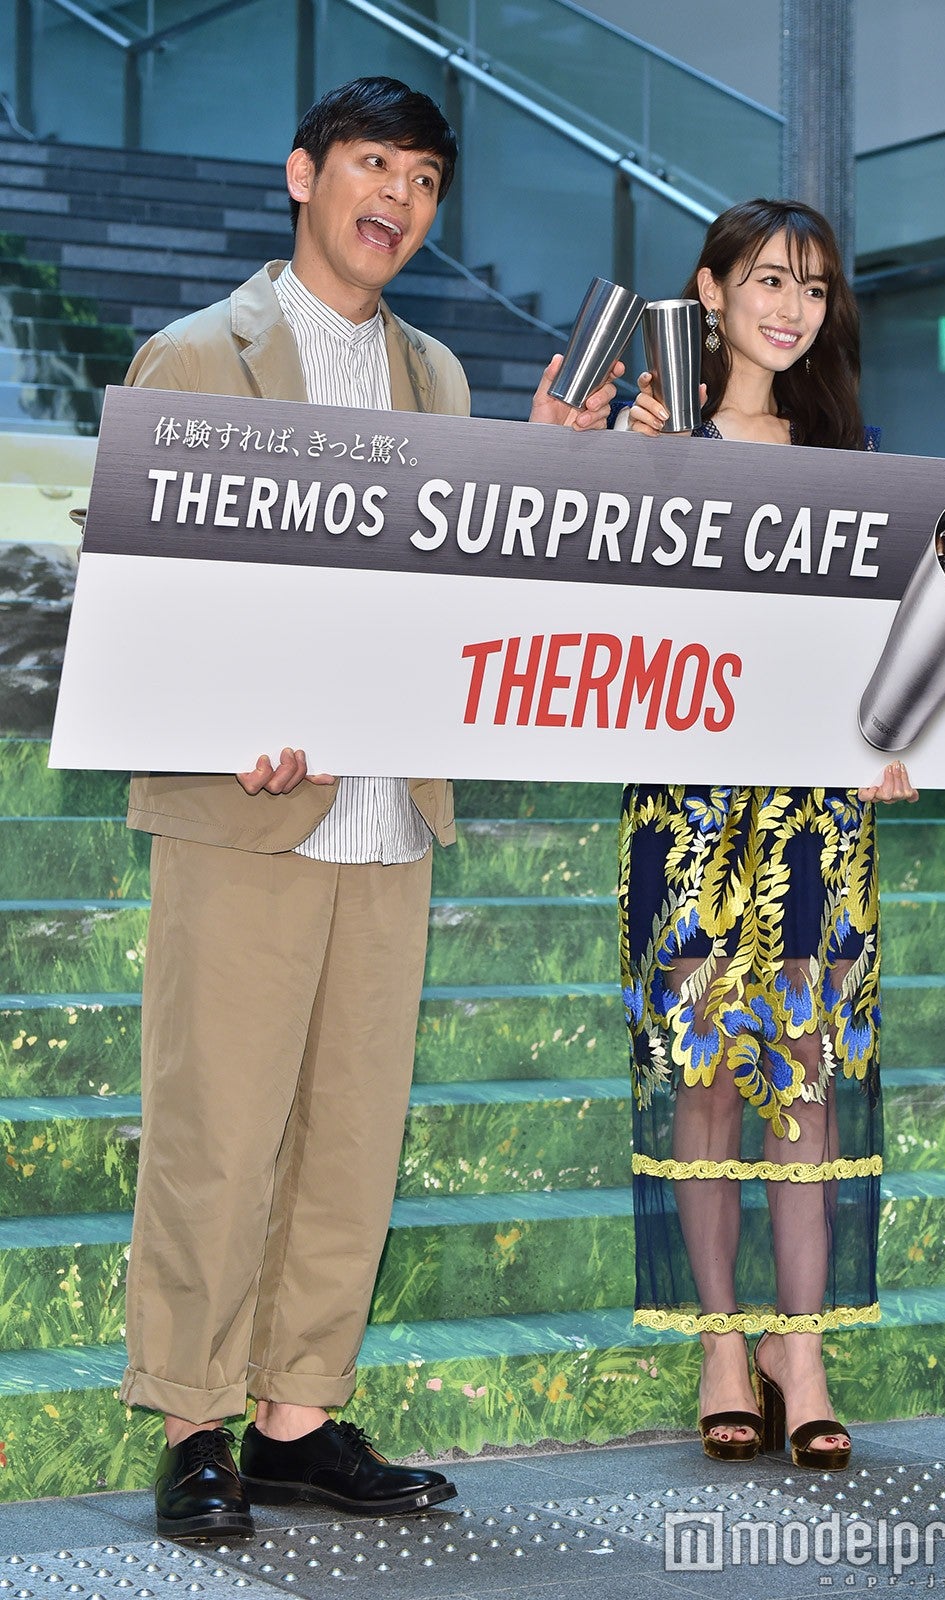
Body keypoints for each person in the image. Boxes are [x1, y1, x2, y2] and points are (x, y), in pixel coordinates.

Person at [121, 75, 619, 1541]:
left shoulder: (441, 378)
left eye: (423, 181)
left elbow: (450, 596)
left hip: (390, 814)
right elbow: (148, 597)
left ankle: (296, 1417)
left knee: (352, 1138)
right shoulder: (195, 356)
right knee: (218, 1132)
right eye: (373, 165)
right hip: (242, 815)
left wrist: (540, 466)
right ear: (303, 174)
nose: (396, 199)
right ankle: (194, 1424)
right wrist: (221, 728)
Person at [616, 198, 917, 1472]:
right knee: (703, 1078)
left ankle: (803, 1353)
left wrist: (898, 739)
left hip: (812, 816)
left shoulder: (855, 457)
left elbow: (892, 640)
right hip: (685, 807)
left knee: (803, 1070)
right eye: (770, 280)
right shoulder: (651, 439)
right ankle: (722, 1346)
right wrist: (611, 462)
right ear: (712, 290)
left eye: (814, 287)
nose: (793, 307)